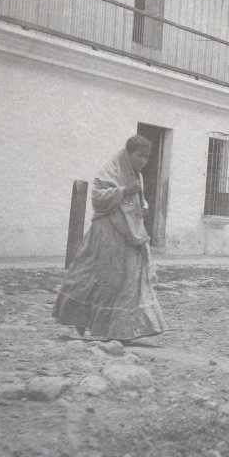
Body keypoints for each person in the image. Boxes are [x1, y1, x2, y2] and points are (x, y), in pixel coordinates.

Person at [53, 135, 167, 342]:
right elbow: (97, 198)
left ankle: (122, 329)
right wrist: (123, 191)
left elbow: (134, 203)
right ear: (128, 153)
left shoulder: (137, 176)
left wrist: (143, 208)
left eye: (146, 157)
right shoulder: (110, 171)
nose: (142, 160)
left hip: (129, 233)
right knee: (98, 276)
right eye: (138, 155)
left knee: (129, 278)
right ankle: (83, 318)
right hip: (106, 233)